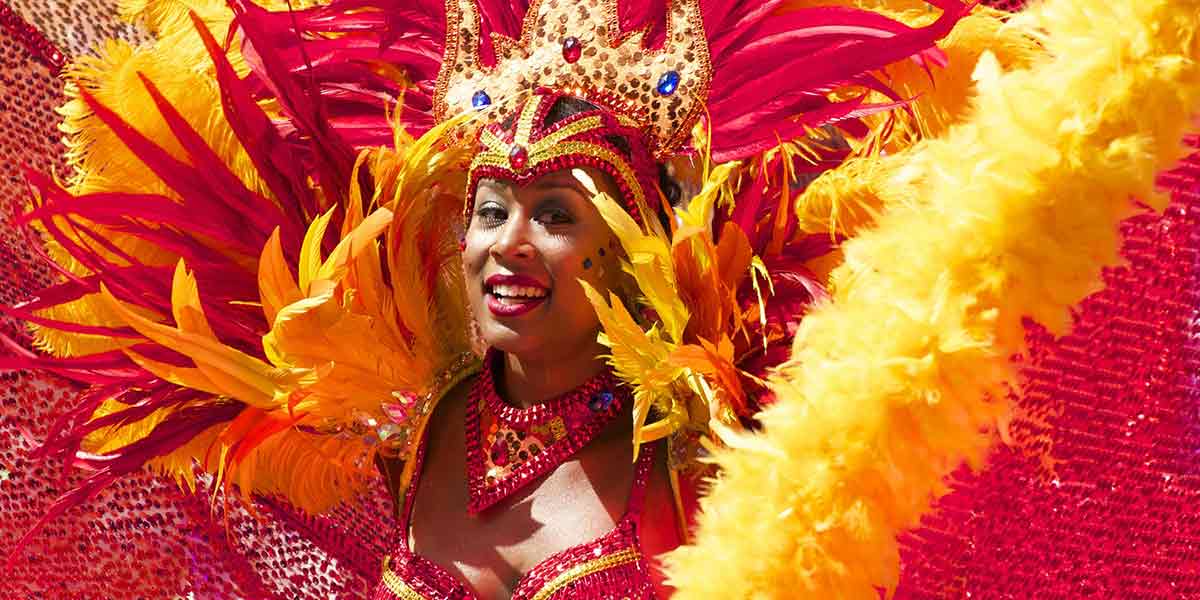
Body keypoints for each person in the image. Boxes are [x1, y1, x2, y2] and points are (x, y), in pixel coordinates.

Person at [5, 0, 1200, 598]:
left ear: (629, 254)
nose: (507, 244)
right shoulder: (418, 416)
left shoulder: (702, 464)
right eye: (490, 209)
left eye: (557, 213)